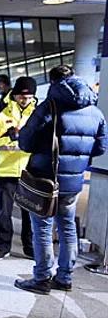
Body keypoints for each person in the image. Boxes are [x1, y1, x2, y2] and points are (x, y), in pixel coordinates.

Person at [15, 65, 107, 295]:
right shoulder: (95, 111)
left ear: (53, 82)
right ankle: (65, 277)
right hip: (74, 182)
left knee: (43, 229)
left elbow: (25, 141)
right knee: (67, 228)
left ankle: (42, 278)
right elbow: (100, 148)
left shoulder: (50, 106)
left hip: (45, 179)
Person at [0, 77, 37, 261]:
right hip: (4, 170)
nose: (25, 100)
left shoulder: (37, 112)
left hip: (30, 171)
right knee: (3, 212)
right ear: (15, 94)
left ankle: (30, 247)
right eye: (22, 97)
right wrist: (9, 133)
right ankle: (2, 246)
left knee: (30, 213)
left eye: (29, 97)